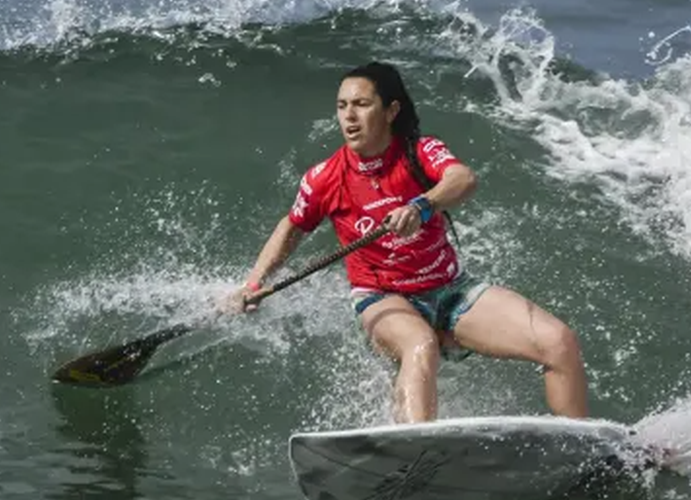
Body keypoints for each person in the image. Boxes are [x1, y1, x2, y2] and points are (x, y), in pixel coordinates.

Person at [235, 61, 587, 424]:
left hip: (451, 291)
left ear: (391, 110)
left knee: (558, 342)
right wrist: (254, 284)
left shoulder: (419, 152)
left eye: (362, 104)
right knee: (421, 345)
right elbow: (292, 227)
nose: (349, 116)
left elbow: (462, 178)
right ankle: (417, 455)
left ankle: (584, 452)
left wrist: (423, 205)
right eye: (342, 106)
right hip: (382, 299)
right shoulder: (325, 178)